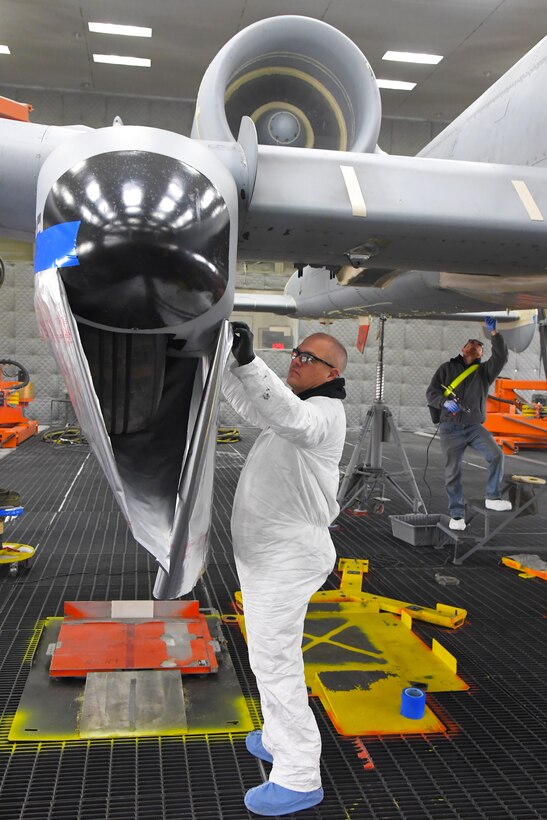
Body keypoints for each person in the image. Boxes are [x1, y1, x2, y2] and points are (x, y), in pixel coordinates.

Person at [222, 321, 347, 817]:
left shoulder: (323, 414)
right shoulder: (297, 410)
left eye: (308, 358)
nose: (296, 359)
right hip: (270, 558)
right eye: (295, 352)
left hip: (286, 560)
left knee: (276, 664)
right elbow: (256, 405)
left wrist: (252, 363)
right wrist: (231, 364)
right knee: (267, 657)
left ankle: (297, 775)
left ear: (332, 372)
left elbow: (290, 416)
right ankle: (277, 738)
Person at [426, 316, 512, 530]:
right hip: (449, 428)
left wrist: (494, 335)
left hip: (474, 427)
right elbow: (431, 393)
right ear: (463, 349)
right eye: (471, 343)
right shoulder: (446, 369)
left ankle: (493, 496)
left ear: (482, 354)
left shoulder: (484, 372)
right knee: (452, 472)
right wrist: (444, 402)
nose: (475, 345)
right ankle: (456, 515)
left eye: (479, 345)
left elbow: (501, 357)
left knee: (496, 455)